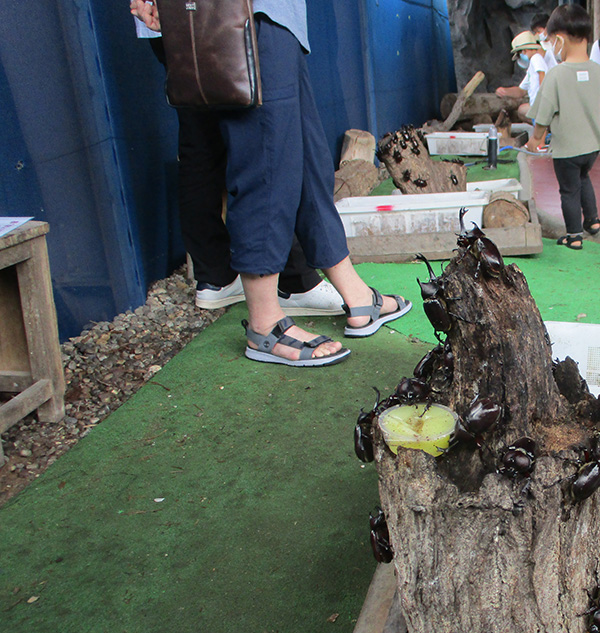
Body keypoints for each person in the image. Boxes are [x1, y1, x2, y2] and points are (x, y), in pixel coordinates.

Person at [131, 0, 411, 366]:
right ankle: (265, 324)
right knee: (265, 156)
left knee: (306, 151)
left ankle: (354, 292)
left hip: (275, 15)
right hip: (235, 14)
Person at [132, 7, 347, 316]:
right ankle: (289, 284)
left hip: (178, 16)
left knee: (200, 140)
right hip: (238, 15)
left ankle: (215, 276)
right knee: (265, 142)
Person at [525, 3, 600, 251]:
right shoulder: (599, 72)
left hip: (567, 150)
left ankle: (574, 235)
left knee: (568, 190)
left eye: (550, 41)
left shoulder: (556, 75)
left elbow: (543, 115)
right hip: (592, 148)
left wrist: (536, 139)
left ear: (559, 39)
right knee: (583, 178)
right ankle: (593, 221)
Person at [495, 31, 548, 121]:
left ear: (524, 51)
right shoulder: (532, 66)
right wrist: (505, 91)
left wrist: (542, 98)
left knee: (540, 127)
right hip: (537, 106)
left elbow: (541, 74)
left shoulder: (536, 58)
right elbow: (521, 90)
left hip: (541, 106)